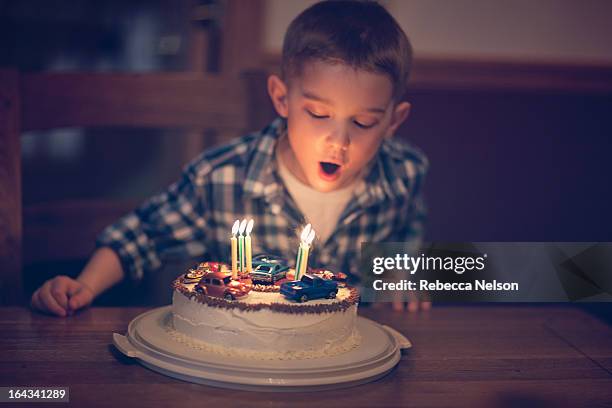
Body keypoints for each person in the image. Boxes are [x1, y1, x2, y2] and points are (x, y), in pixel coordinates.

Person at [31, 0, 430, 316]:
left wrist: (400, 276)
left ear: (393, 121)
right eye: (319, 114)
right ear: (281, 98)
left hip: (350, 364)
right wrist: (84, 285)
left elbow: (405, 239)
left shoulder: (403, 173)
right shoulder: (221, 177)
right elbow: (142, 235)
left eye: (362, 122)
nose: (338, 141)